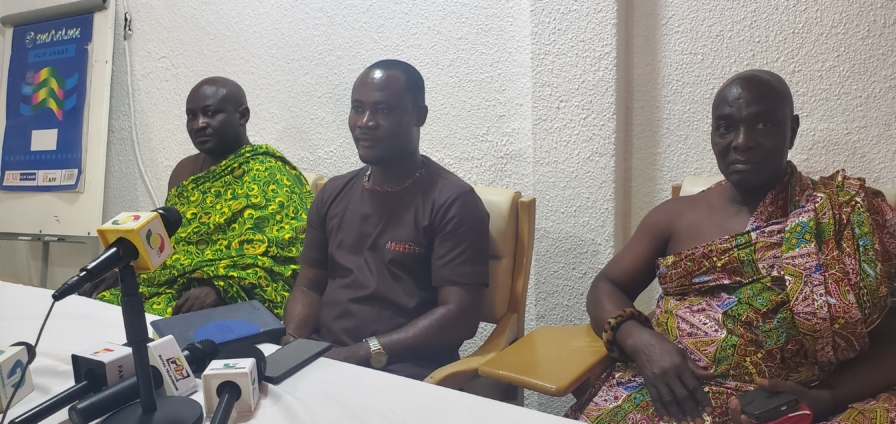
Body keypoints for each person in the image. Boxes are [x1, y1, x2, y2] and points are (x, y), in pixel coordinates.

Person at [568, 70, 896, 424]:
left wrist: (825, 398)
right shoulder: (674, 216)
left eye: (762, 124)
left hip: (802, 405)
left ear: (792, 130)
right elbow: (606, 285)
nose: (741, 142)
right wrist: (641, 342)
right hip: (670, 394)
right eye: (725, 127)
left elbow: (890, 337)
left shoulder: (845, 215)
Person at [280, 60, 490, 380]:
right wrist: (294, 345)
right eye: (357, 108)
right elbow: (308, 285)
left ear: (419, 116)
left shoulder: (453, 201)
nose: (365, 122)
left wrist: (360, 353)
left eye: (383, 110)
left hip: (405, 369)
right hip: (324, 357)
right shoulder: (333, 192)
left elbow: (460, 316)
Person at [82, 77, 313, 319]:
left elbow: (289, 262)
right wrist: (121, 269)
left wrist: (220, 290)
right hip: (163, 285)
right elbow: (169, 243)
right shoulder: (183, 171)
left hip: (228, 299)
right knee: (93, 310)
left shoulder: (271, 173)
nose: (198, 124)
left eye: (210, 113)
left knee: (145, 324)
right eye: (191, 116)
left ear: (242, 116)